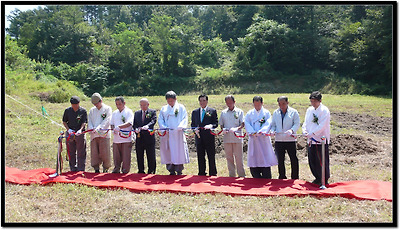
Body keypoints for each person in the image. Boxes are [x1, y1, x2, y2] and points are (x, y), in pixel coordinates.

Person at [244, 96, 278, 179]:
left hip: (263, 138)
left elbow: (268, 123)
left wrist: (262, 131)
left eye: (258, 105)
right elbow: (247, 123)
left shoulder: (266, 113)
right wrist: (252, 131)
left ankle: (266, 174)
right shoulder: (249, 113)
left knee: (264, 155)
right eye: (255, 105)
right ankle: (256, 175)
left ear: (262, 103)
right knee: (253, 155)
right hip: (253, 138)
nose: (257, 107)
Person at [302, 91, 331, 185]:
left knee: (321, 160)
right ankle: (317, 177)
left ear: (320, 101)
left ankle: (324, 178)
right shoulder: (309, 110)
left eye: (315, 101)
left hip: (320, 139)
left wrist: (313, 133)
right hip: (310, 139)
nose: (313, 103)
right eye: (311, 101)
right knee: (312, 160)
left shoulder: (324, 110)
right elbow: (306, 122)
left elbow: (322, 125)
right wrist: (305, 131)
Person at [158, 91, 190, 175]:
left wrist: (181, 126)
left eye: (171, 101)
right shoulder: (164, 109)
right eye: (168, 101)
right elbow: (160, 119)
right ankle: (170, 169)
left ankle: (179, 169)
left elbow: (184, 118)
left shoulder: (181, 107)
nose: (170, 102)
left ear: (175, 99)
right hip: (168, 134)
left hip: (177, 134)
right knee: (168, 151)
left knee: (178, 151)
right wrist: (164, 128)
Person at [270, 96, 300, 179]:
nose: (281, 106)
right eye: (279, 104)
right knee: (280, 159)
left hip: (290, 139)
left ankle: (295, 177)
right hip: (279, 139)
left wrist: (292, 130)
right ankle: (282, 176)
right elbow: (273, 125)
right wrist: (272, 131)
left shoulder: (294, 112)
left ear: (287, 103)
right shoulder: (276, 113)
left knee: (293, 158)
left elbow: (297, 123)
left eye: (283, 103)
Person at [218, 95, 246, 177]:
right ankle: (231, 175)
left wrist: (237, 128)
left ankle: (241, 175)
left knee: (239, 158)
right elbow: (221, 124)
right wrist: (223, 129)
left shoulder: (239, 111)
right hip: (227, 138)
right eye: (227, 103)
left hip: (237, 137)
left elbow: (243, 123)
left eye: (230, 102)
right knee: (229, 157)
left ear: (234, 102)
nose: (229, 104)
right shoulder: (223, 112)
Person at [191, 94, 218, 176]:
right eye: (200, 101)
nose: (202, 102)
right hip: (199, 137)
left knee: (211, 155)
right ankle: (201, 172)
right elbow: (193, 124)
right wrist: (194, 129)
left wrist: (211, 126)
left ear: (207, 101)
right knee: (200, 155)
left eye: (204, 100)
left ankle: (213, 172)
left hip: (209, 137)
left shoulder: (212, 111)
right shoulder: (195, 112)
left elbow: (216, 123)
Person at [88, 93, 112, 173]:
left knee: (105, 152)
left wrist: (98, 128)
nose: (96, 105)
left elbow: (107, 120)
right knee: (95, 152)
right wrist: (91, 128)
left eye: (97, 104)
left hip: (103, 133)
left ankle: (106, 168)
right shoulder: (92, 110)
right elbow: (90, 121)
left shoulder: (107, 109)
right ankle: (96, 168)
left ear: (101, 101)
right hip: (94, 134)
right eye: (94, 104)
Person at [62, 96, 87, 172]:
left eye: (76, 105)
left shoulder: (83, 111)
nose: (75, 106)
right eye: (73, 105)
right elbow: (64, 121)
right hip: (70, 133)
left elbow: (84, 122)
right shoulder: (67, 111)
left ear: (79, 103)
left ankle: (81, 168)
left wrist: (80, 130)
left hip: (79, 133)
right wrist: (68, 129)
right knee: (71, 151)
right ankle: (73, 168)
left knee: (81, 151)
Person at [110, 96, 134, 174]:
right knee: (116, 155)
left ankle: (125, 170)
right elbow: (112, 123)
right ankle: (116, 168)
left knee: (126, 155)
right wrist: (113, 128)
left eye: (120, 104)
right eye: (116, 104)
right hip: (116, 137)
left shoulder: (128, 111)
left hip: (126, 137)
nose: (118, 106)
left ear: (124, 103)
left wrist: (119, 127)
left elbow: (129, 122)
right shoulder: (114, 113)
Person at [133, 98, 157, 174]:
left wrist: (148, 126)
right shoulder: (137, 113)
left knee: (150, 154)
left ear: (148, 105)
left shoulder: (152, 112)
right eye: (141, 105)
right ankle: (141, 170)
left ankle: (151, 170)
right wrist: (136, 129)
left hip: (149, 137)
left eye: (144, 105)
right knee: (139, 154)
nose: (143, 107)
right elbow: (135, 124)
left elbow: (153, 120)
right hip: (139, 137)